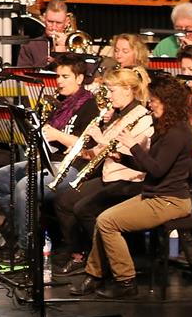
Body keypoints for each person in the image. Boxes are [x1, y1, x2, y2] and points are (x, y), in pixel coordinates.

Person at [74, 72, 192, 299]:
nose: (150, 104)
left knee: (107, 222)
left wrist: (133, 146)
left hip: (171, 200)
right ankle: (95, 274)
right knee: (103, 218)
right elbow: (146, 165)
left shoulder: (177, 133)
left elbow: (157, 169)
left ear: (167, 102)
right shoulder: (165, 128)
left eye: (154, 100)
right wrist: (121, 157)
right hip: (155, 195)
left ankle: (125, 281)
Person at [0, 56, 99, 260]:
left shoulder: (90, 106)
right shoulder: (59, 104)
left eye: (65, 76)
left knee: (25, 187)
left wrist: (57, 135)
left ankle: (27, 250)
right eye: (57, 76)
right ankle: (26, 231)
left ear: (79, 78)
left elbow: (89, 145)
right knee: (1, 178)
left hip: (73, 167)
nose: (59, 81)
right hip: (50, 160)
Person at [50, 67, 153, 279]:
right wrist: (82, 150)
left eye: (112, 90)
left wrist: (100, 138)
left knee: (83, 208)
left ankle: (104, 259)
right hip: (110, 175)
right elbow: (100, 151)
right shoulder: (118, 115)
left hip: (129, 178)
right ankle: (80, 252)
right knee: (64, 200)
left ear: (127, 89)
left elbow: (125, 154)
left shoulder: (141, 117)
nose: (109, 96)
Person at [17, 0, 73, 73]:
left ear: (66, 22)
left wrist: (65, 52)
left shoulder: (74, 46)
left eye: (58, 23)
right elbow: (22, 74)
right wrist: (49, 63)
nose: (53, 27)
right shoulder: (30, 46)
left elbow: (85, 75)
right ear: (44, 18)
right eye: (50, 22)